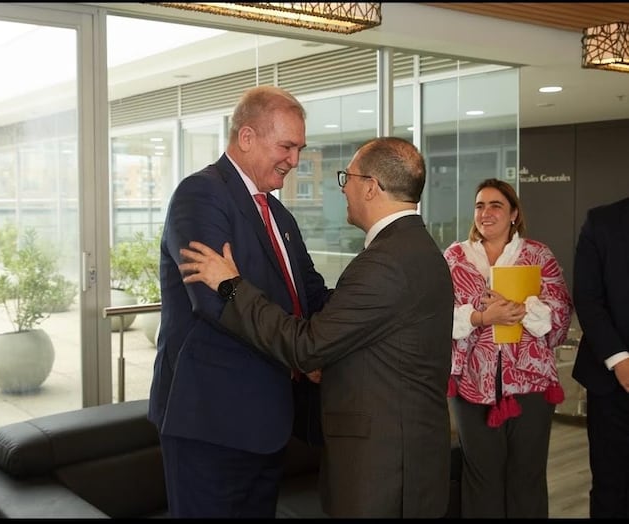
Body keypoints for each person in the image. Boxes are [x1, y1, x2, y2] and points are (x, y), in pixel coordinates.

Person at [178, 136, 455, 518]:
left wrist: (231, 286)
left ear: (372, 188)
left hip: (385, 464)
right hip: (407, 454)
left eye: (349, 178)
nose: (343, 188)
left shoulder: (385, 262)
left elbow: (307, 346)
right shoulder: (419, 249)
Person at [147, 85, 329, 518]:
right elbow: (215, 301)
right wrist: (302, 353)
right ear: (246, 138)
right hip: (210, 419)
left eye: (300, 148)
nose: (295, 160)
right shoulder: (201, 194)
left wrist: (378, 293)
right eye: (286, 146)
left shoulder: (279, 215)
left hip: (267, 422)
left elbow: (311, 294)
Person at [443, 178, 572, 518]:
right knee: (480, 476)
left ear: (514, 213)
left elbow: (559, 315)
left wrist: (518, 309)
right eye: (479, 206)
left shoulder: (538, 255)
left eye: (495, 205)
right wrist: (483, 316)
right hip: (471, 385)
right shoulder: (454, 258)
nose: (486, 213)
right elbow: (436, 315)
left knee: (526, 476)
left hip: (530, 385)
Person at [572, 196, 629, 518]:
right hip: (610, 384)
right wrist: (619, 360)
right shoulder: (602, 222)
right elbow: (588, 298)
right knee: (610, 486)